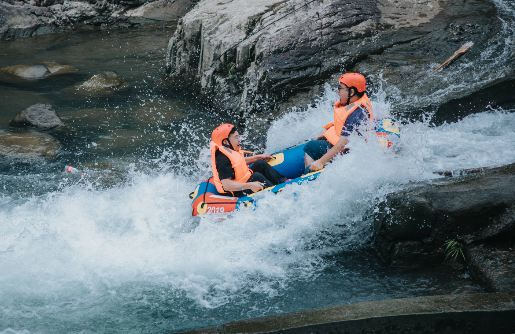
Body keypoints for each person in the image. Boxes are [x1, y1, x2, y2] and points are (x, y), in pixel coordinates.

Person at [303, 72, 374, 172]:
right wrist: (326, 135)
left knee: (309, 165)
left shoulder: (355, 114)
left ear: (352, 92)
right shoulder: (359, 100)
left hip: (344, 157)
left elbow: (342, 144)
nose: (338, 91)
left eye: (340, 88)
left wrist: (321, 162)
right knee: (311, 146)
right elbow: (343, 125)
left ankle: (308, 175)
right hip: (348, 149)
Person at [210, 123, 287, 197]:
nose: (239, 139)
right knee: (256, 176)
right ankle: (279, 193)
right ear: (225, 142)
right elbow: (226, 185)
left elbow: (238, 162)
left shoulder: (229, 149)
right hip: (237, 192)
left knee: (260, 163)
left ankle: (283, 181)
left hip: (244, 181)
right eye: (236, 137)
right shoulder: (222, 159)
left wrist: (258, 157)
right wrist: (250, 185)